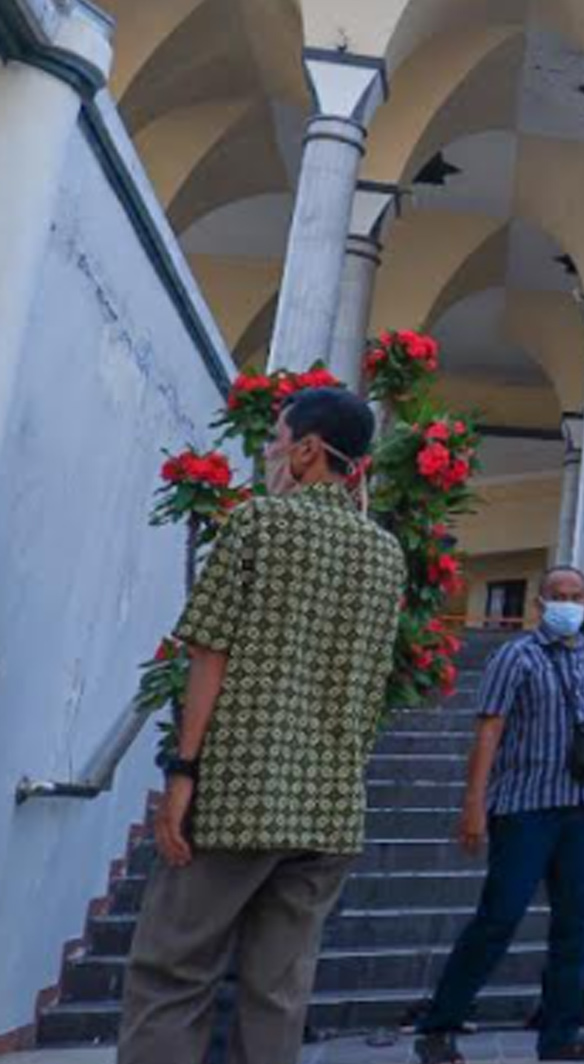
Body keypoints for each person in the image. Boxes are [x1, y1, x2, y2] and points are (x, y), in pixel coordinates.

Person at [117, 388, 405, 1064]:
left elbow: (208, 653)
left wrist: (183, 772)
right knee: (276, 994)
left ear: (308, 450)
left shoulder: (258, 524)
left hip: (241, 794)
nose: (270, 450)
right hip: (330, 808)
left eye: (278, 437)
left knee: (172, 974)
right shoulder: (386, 555)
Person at [414, 566, 584, 1063]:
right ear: (539, 604)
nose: (568, 604)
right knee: (498, 918)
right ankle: (439, 1028)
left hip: (582, 810)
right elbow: (489, 729)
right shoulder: (515, 657)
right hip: (524, 809)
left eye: (577, 596)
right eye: (558, 596)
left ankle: (562, 1034)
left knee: (582, 924)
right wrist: (473, 804)